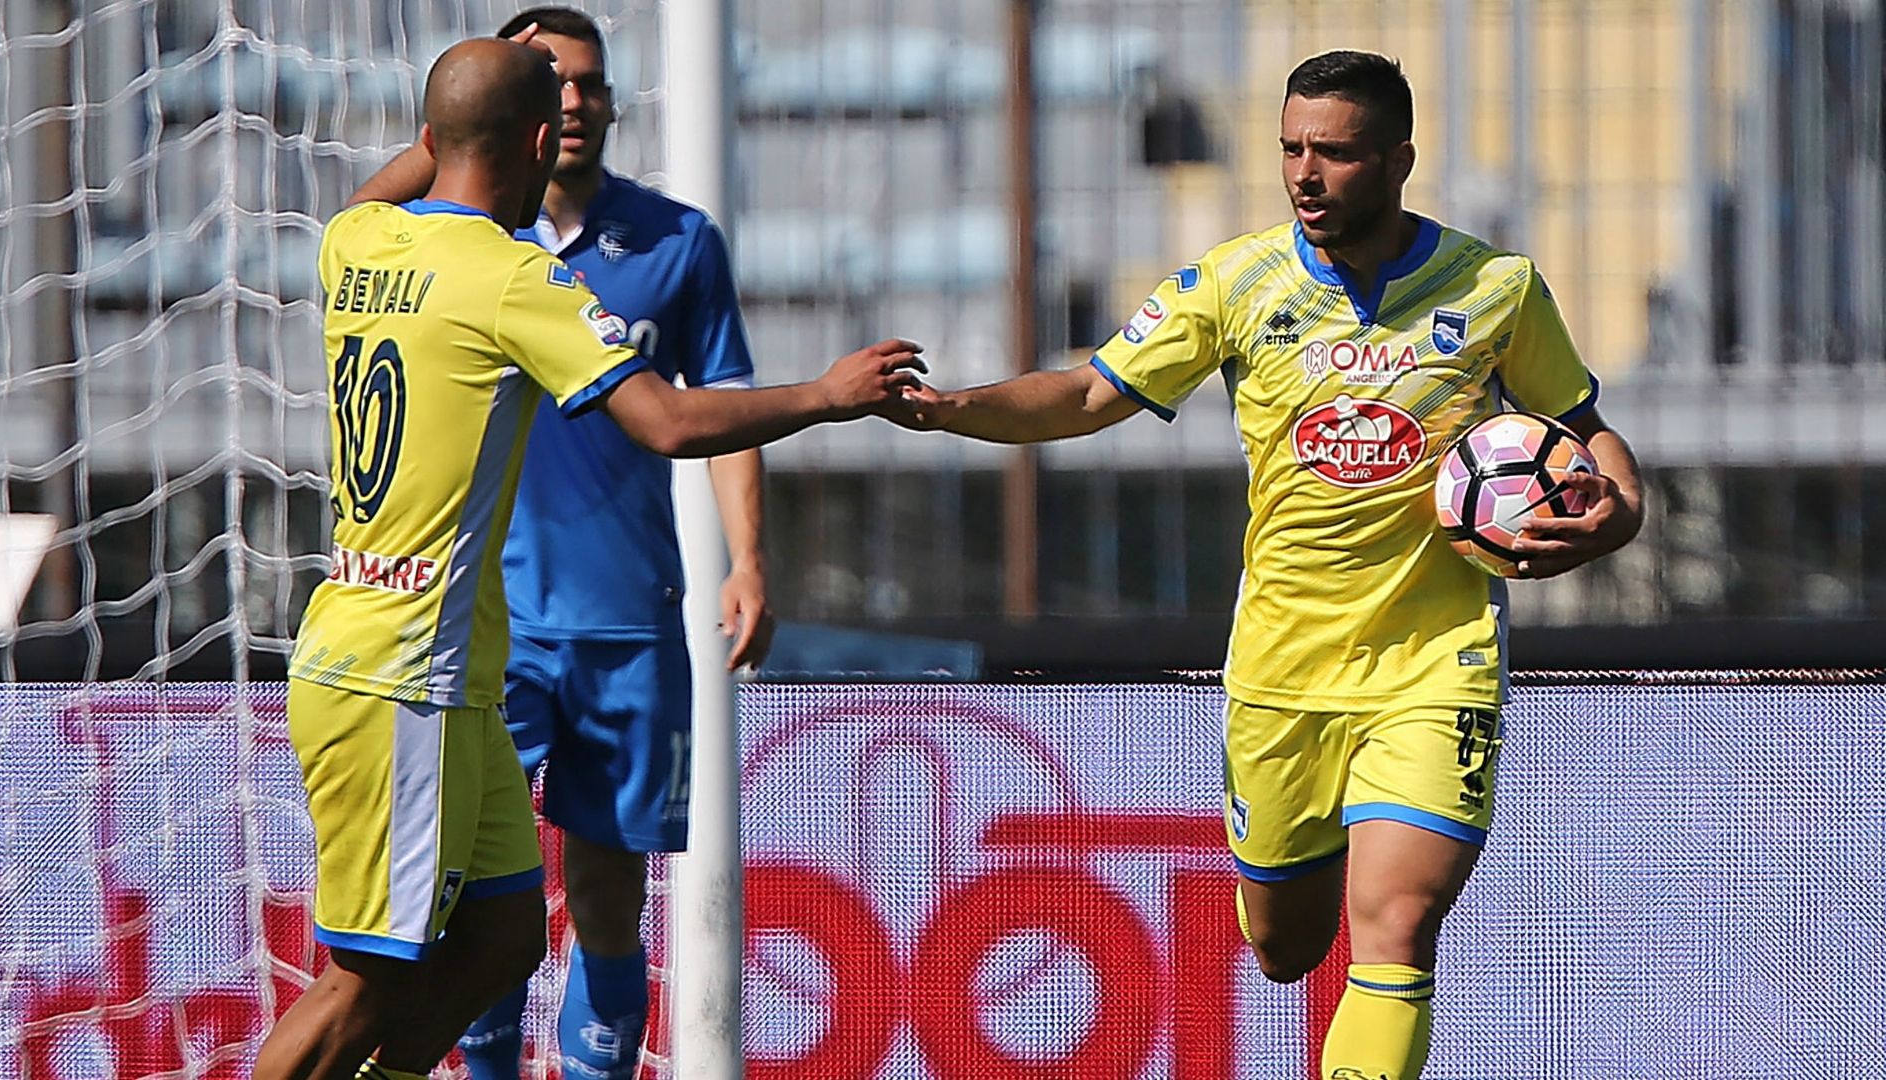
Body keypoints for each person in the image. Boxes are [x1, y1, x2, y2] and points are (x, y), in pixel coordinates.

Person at [890, 50, 1643, 1080]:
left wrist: (1620, 511)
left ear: (1397, 160)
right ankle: (1278, 885)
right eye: (1290, 149)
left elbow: (1584, 429)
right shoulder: (1236, 283)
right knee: (1286, 949)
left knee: (1397, 925)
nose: (1304, 175)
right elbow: (1088, 394)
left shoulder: (1495, 290)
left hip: (1434, 661)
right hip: (1281, 669)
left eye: (1333, 153)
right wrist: (949, 411)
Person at [255, 36, 921, 1080]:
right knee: (365, 979)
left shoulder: (358, 239)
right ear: (537, 142)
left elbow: (406, 169)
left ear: (431, 136)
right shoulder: (519, 277)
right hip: (405, 680)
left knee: (504, 937)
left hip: (409, 660)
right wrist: (828, 396)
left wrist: (470, 105)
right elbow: (665, 420)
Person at [348, 8, 781, 1077]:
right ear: (525, 114)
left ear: (614, 101)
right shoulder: (459, 249)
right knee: (470, 897)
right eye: (551, 79)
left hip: (627, 615)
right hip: (484, 626)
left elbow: (719, 406)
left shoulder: (677, 242)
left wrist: (748, 558)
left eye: (589, 80)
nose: (575, 98)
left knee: (606, 890)